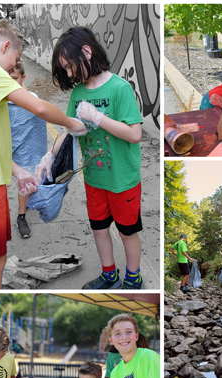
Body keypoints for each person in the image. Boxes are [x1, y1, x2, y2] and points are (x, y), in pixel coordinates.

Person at [0, 19, 86, 289]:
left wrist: (17, 171)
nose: (13, 67)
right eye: (14, 59)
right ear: (5, 46)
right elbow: (38, 107)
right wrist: (73, 124)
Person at [51, 26, 144, 290]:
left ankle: (133, 277)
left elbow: (134, 134)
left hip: (122, 180)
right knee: (99, 229)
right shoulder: (78, 93)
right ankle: (109, 274)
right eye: (65, 70)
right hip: (94, 179)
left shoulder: (120, 88)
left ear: (87, 52)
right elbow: (69, 129)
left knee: (127, 232)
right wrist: (49, 156)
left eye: (70, 67)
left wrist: (99, 118)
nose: (69, 74)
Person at [8, 60, 64, 238]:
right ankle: (21, 216)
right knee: (23, 177)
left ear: (23, 78)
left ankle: (25, 209)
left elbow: (40, 120)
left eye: (14, 78)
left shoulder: (32, 99)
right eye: (6, 78)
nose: (10, 82)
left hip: (32, 146)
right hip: (15, 148)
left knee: (32, 175)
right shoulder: (1, 103)